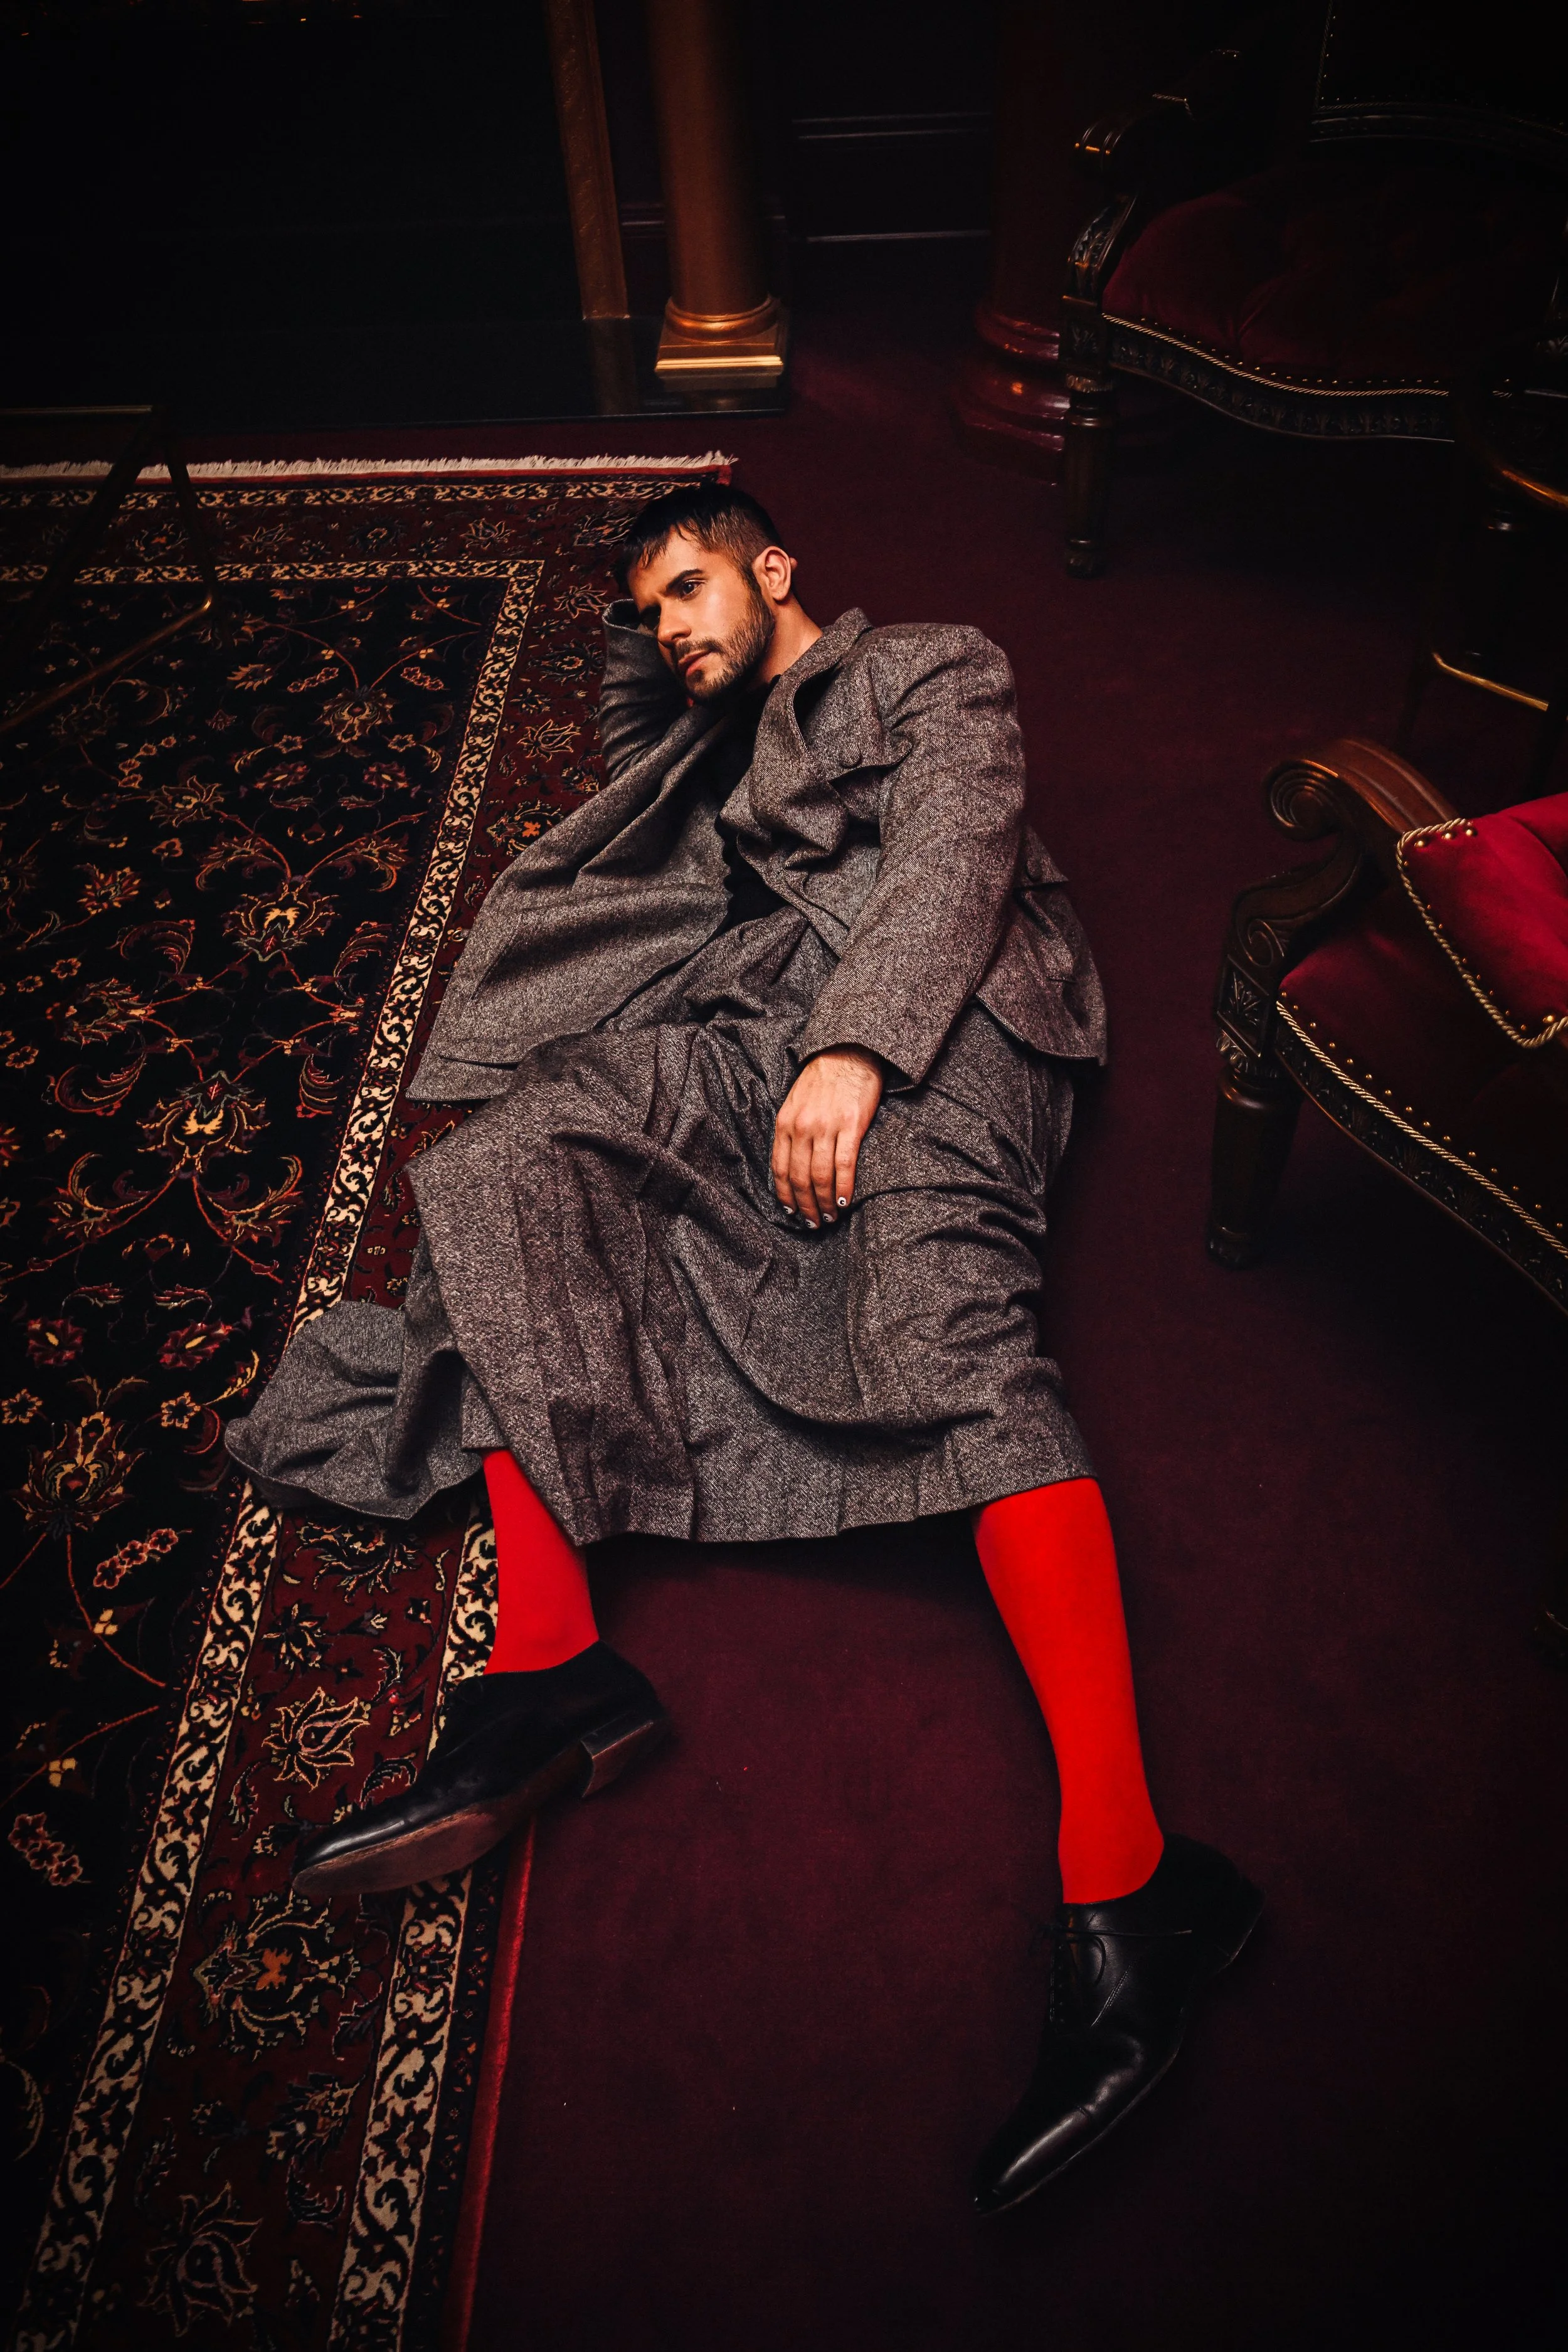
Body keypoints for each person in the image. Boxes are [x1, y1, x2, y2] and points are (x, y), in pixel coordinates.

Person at [226, 482, 1261, 2210]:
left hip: (951, 1017)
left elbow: (956, 850)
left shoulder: (936, 665)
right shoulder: (711, 747)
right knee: (512, 1172)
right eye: (645, 613)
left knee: (952, 1330)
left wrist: (859, 1050)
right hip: (753, 1023)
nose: (666, 631)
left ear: (781, 566)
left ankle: (1135, 1882)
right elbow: (636, 785)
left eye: (691, 588)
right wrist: (695, 671)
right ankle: (553, 1672)